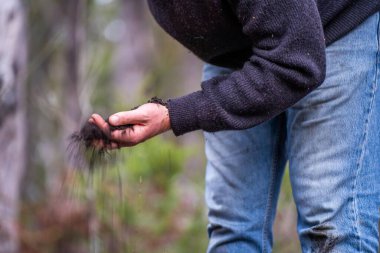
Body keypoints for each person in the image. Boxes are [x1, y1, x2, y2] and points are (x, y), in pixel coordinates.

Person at [90, 1, 380, 252]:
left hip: (332, 32)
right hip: (239, 53)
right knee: (232, 226)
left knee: (331, 225)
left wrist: (174, 115)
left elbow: (295, 62)